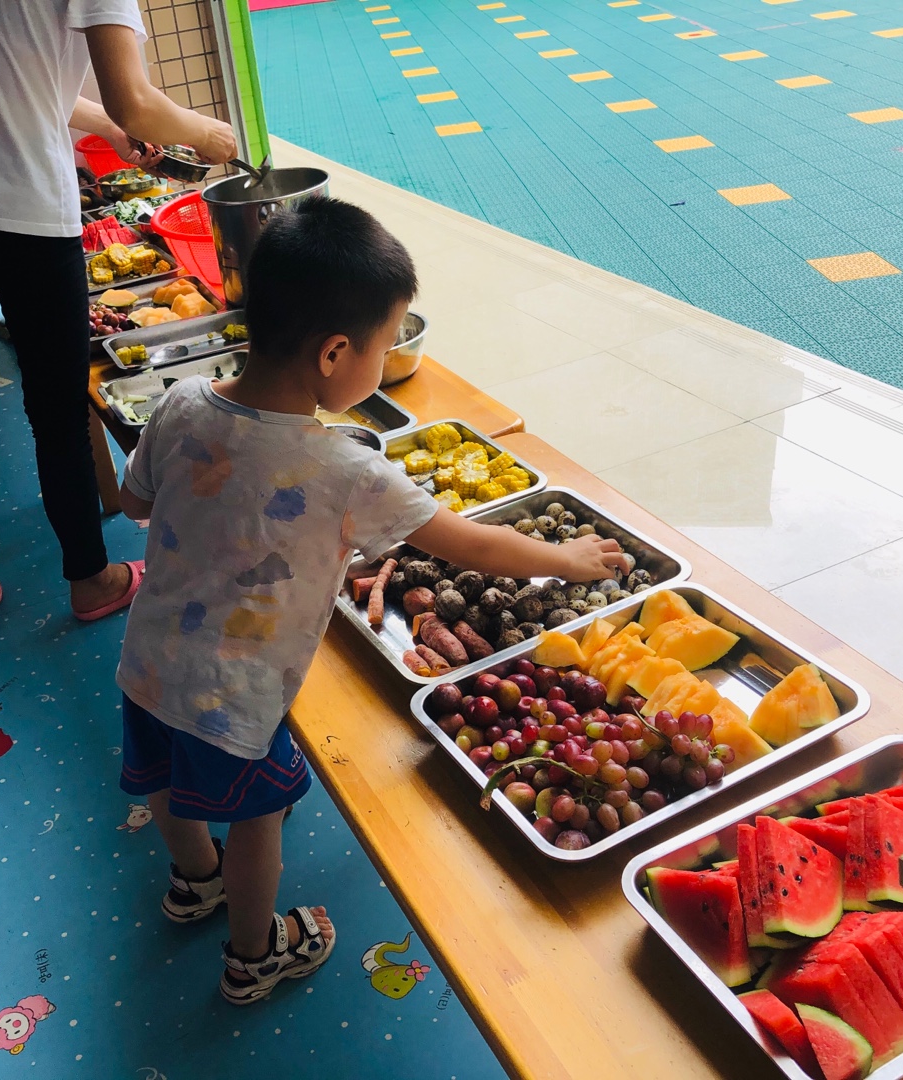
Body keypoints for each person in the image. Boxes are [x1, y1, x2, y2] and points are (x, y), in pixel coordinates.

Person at [114, 197, 634, 1005]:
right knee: (257, 825)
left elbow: (133, 502)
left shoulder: (181, 403)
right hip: (237, 697)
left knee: (163, 778)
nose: (388, 355)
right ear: (334, 354)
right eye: (386, 343)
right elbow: (469, 544)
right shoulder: (346, 470)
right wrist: (565, 559)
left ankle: (194, 880)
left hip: (147, 661)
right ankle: (254, 954)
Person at [0, 0, 237, 631]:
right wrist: (207, 135)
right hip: (26, 215)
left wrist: (106, 125)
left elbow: (10, 74)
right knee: (56, 412)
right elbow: (135, 101)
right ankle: (91, 580)